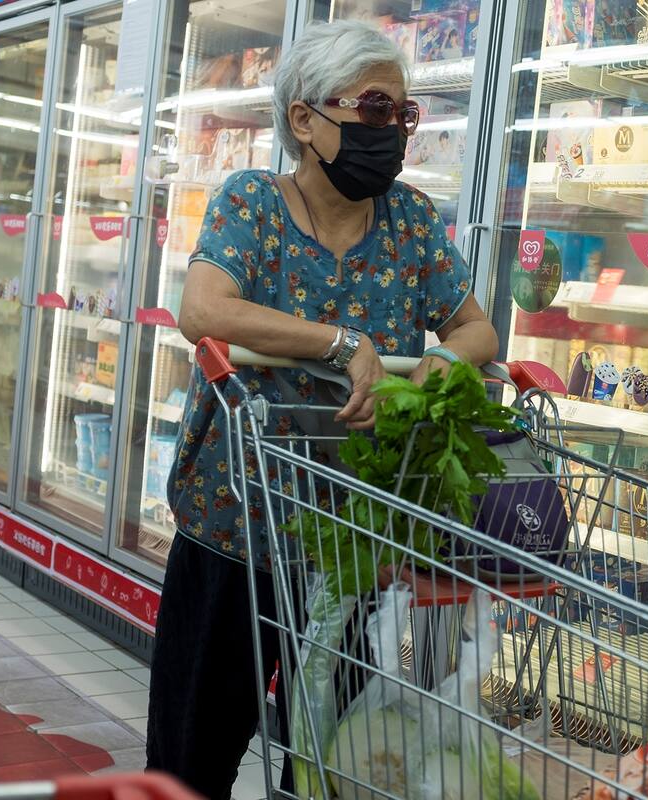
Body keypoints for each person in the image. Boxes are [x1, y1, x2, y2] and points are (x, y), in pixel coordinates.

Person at [145, 20, 498, 799]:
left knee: (331, 766)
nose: (391, 132)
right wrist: (343, 345)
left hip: (351, 543)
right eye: (373, 109)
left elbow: (478, 328)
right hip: (235, 528)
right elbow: (204, 310)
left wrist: (441, 363)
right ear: (303, 119)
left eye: (402, 115)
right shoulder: (252, 203)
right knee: (189, 761)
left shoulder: (410, 222)